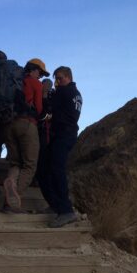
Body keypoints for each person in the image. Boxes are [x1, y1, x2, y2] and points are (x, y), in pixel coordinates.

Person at [3, 58, 49, 213]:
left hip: (9, 125)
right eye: (40, 73)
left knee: (15, 163)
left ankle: (10, 181)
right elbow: (39, 109)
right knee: (30, 165)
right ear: (34, 70)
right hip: (27, 124)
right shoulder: (35, 83)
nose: (41, 76)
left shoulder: (16, 82)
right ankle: (12, 200)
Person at [39, 66, 83, 227]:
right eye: (56, 79)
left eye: (60, 78)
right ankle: (56, 204)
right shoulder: (76, 94)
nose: (57, 82)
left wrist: (45, 92)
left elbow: (46, 107)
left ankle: (66, 211)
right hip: (67, 134)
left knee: (55, 170)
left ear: (68, 77)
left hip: (63, 135)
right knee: (46, 168)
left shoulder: (64, 92)